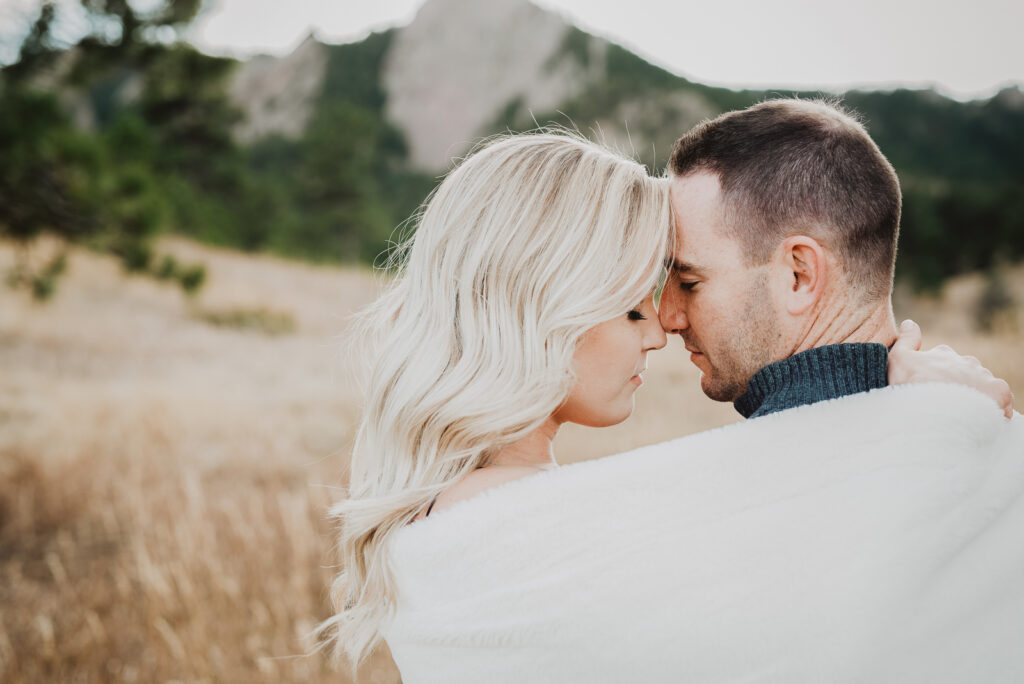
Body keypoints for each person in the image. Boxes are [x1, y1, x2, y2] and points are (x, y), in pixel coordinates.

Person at [321, 130, 1020, 683]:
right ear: (545, 311)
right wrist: (936, 431)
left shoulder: (483, 515)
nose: (660, 328)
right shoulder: (511, 527)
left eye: (683, 283)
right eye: (634, 304)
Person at [659, 97, 1013, 419]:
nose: (667, 316)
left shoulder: (736, 480)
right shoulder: (987, 423)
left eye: (690, 282)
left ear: (800, 275)